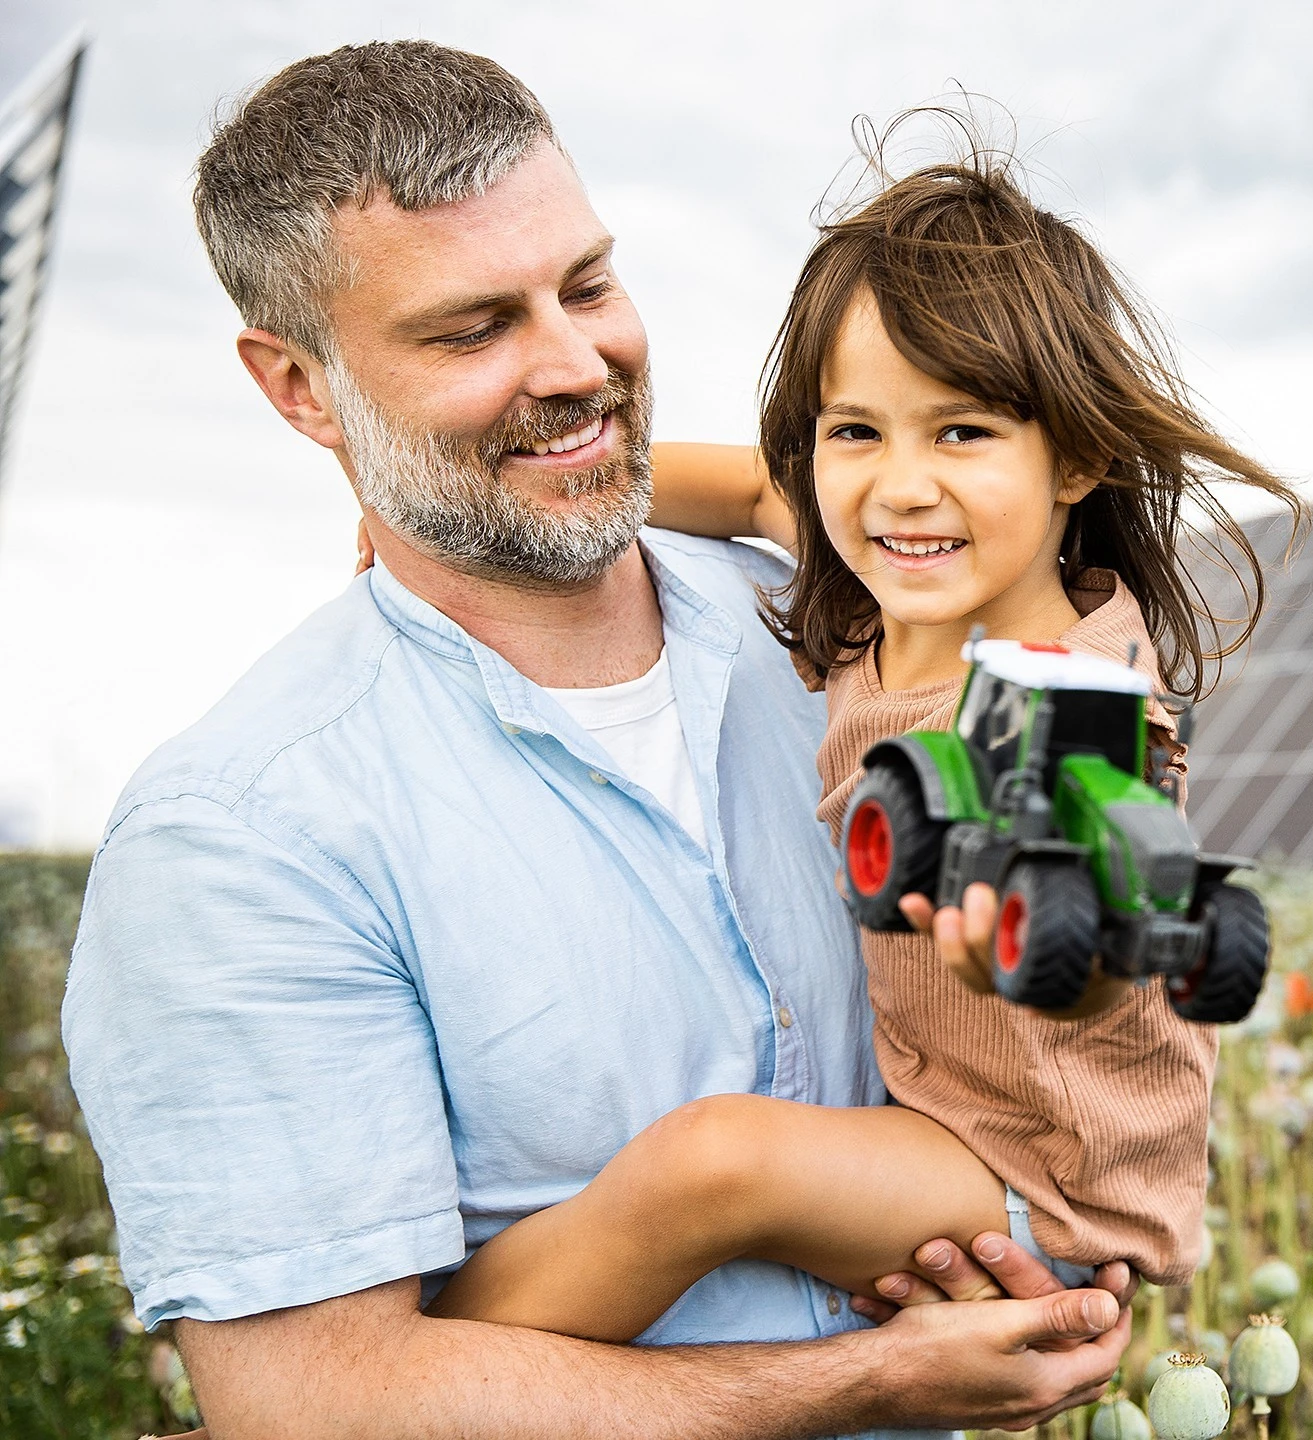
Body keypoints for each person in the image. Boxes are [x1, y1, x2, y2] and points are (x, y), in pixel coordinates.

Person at [58, 42, 1179, 1440]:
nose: (578, 363)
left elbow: (1098, 1031)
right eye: (474, 330)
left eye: (588, 285)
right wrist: (873, 1380)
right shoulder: (238, 839)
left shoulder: (843, 623)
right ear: (298, 387)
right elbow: (308, 1412)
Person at [413, 129, 1300, 1341]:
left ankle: (384, 1391)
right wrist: (475, 510)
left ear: (1080, 456)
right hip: (940, 1112)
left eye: (963, 434)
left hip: (1049, 1172)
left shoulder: (1066, 698)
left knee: (713, 1164)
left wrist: (1044, 948)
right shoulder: (879, 579)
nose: (898, 487)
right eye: (856, 431)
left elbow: (1103, 945)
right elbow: (734, 488)